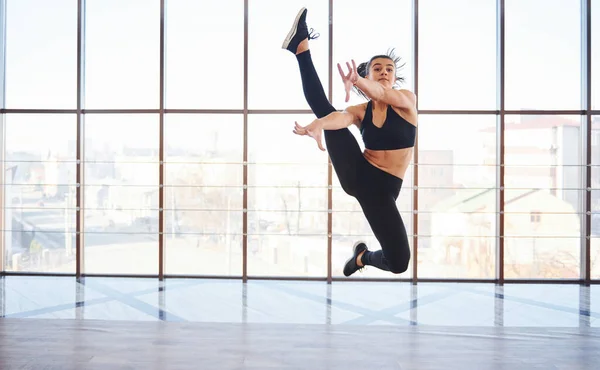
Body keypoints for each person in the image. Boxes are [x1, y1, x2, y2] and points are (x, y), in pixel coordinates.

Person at [282, 7, 418, 276]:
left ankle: (362, 257)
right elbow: (340, 119)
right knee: (325, 110)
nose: (384, 72)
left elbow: (381, 92)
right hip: (359, 175)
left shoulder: (406, 102)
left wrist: (358, 81)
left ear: (394, 76)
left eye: (389, 69)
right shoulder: (361, 111)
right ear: (367, 75)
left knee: (399, 263)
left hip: (385, 189)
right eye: (376, 68)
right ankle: (301, 48)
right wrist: (320, 124)